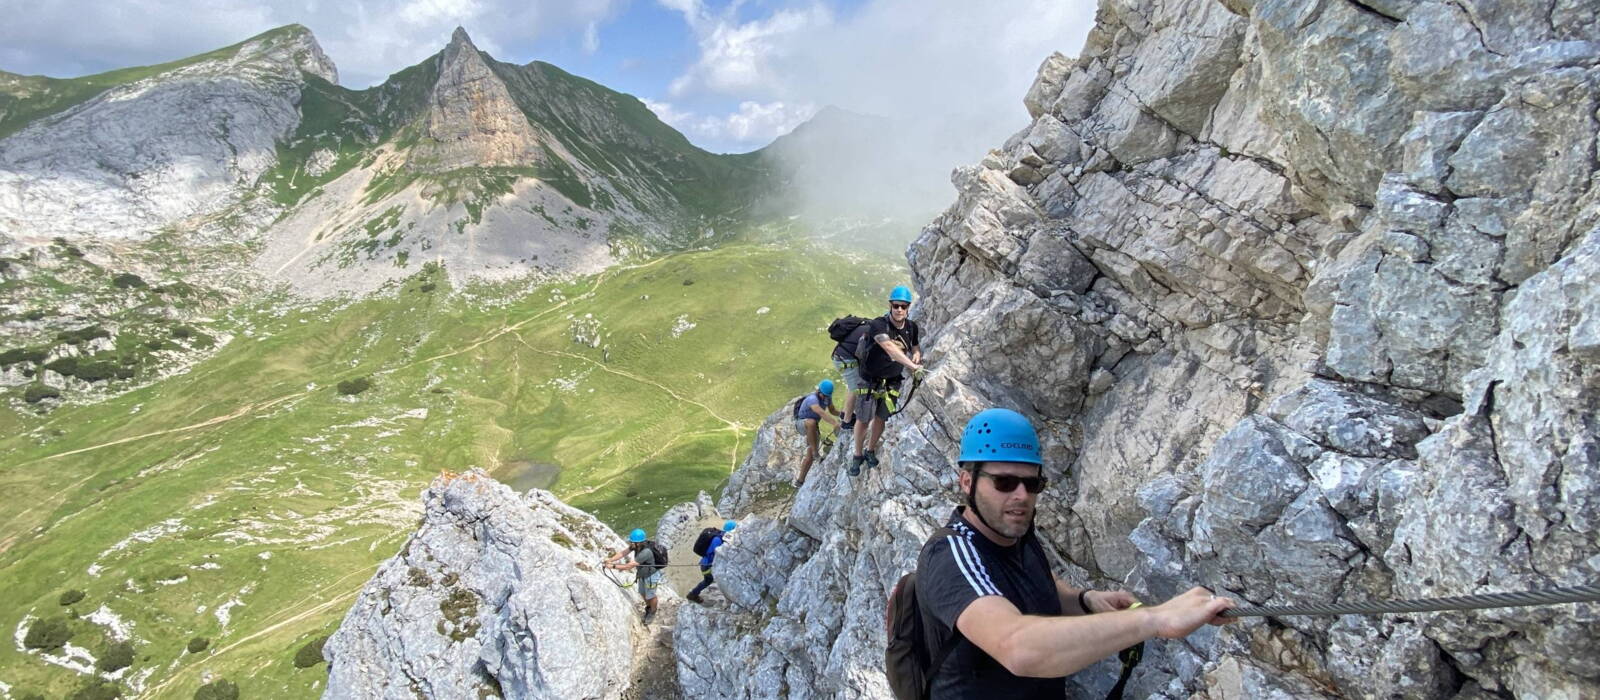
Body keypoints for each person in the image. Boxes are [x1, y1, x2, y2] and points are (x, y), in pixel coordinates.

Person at [914, 408, 1236, 698]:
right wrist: (1157, 619)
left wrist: (1084, 600)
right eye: (1005, 482)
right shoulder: (949, 557)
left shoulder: (1015, 533)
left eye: (1032, 484)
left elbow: (1034, 579)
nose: (1022, 496)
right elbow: (1017, 646)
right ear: (967, 482)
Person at [852, 285, 923, 476]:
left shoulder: (911, 327)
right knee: (863, 420)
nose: (899, 309)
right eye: (896, 305)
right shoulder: (878, 324)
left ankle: (870, 450)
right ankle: (857, 455)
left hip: (892, 381)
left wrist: (916, 355)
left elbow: (915, 346)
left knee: (881, 418)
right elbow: (889, 347)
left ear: (908, 308)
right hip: (870, 380)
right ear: (890, 305)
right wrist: (912, 366)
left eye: (903, 306)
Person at [604, 528, 665, 624]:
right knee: (643, 593)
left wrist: (612, 566)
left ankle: (652, 611)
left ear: (639, 542)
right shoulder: (636, 546)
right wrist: (611, 559)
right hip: (642, 574)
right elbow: (623, 553)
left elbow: (629, 566)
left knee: (651, 595)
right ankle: (649, 607)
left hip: (651, 576)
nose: (631, 543)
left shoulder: (646, 552)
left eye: (633, 542)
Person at [794, 379, 843, 486]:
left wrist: (843, 414)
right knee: (811, 422)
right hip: (802, 424)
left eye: (826, 396)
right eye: (823, 395)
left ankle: (800, 481)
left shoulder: (827, 398)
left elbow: (832, 410)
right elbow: (820, 412)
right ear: (818, 391)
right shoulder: (812, 399)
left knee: (810, 455)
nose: (824, 398)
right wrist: (834, 423)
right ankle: (816, 452)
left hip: (813, 428)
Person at [687, 519, 737, 604]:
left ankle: (693, 594)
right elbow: (715, 553)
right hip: (708, 565)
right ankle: (692, 594)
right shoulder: (717, 540)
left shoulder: (721, 536)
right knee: (708, 580)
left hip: (707, 563)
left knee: (709, 580)